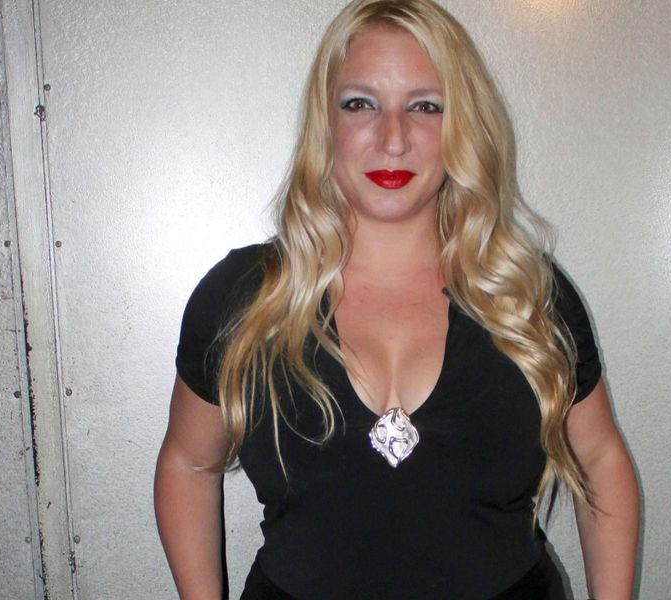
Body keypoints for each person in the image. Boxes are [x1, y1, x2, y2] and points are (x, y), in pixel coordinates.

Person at [154, 0, 639, 598]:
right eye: (361, 104)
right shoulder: (243, 298)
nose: (393, 139)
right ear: (325, 121)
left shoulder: (528, 295)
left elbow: (601, 461)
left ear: (463, 125)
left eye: (425, 106)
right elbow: (187, 463)